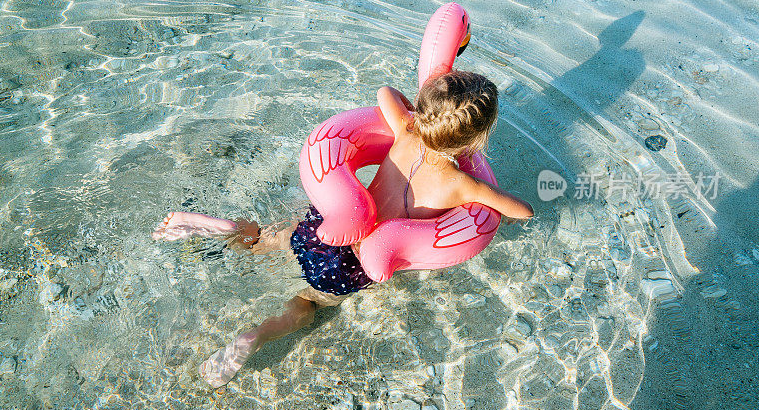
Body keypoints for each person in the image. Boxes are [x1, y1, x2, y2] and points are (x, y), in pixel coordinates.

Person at [152, 71, 534, 388]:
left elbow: (385, 92)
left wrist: (415, 110)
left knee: (266, 239)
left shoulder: (404, 133)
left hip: (326, 228)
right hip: (348, 268)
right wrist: (487, 186)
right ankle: (254, 337)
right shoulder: (462, 184)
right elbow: (521, 211)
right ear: (475, 140)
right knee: (304, 308)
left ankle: (226, 228)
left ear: (423, 111)